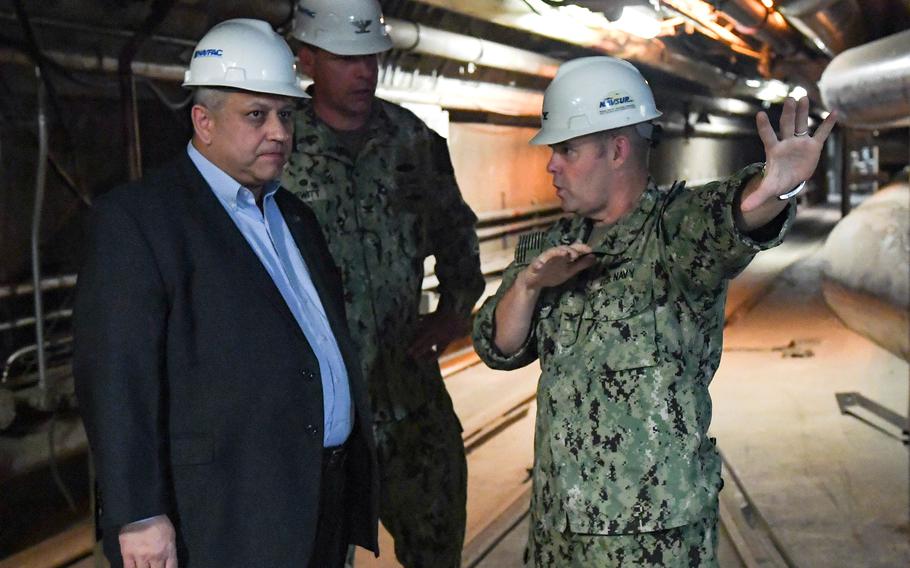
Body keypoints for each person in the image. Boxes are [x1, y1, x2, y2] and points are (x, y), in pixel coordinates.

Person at [472, 56, 837, 566]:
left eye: (567, 149)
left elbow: (732, 214)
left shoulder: (674, 232)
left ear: (617, 148)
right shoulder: (553, 243)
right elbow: (498, 345)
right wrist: (530, 284)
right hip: (558, 527)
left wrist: (779, 186)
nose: (551, 164)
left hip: (649, 539)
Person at [73, 19, 378, 568]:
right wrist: (139, 514)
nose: (280, 132)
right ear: (203, 121)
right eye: (256, 115)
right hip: (224, 516)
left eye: (286, 114)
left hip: (316, 500)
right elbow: (116, 379)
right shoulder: (140, 221)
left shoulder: (296, 218)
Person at [281, 1, 485, 565]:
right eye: (347, 58)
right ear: (308, 59)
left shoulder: (413, 143)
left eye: (371, 56)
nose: (365, 71)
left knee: (438, 537)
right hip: (315, 401)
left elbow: (456, 234)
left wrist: (453, 311)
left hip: (406, 389)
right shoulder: (277, 148)